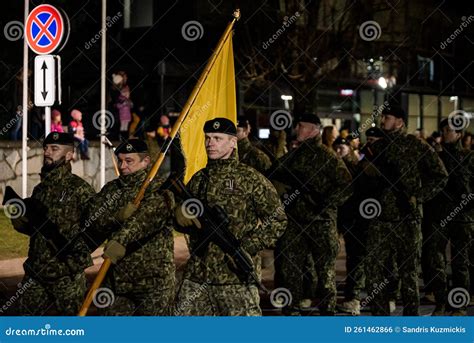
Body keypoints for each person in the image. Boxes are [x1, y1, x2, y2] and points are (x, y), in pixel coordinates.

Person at [174, 118, 287, 316]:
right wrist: (179, 216)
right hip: (198, 276)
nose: (210, 143)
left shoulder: (250, 178)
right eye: (208, 138)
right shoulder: (199, 179)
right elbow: (181, 220)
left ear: (233, 142)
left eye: (217, 138)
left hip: (235, 279)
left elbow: (278, 220)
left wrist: (247, 247)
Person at [364, 105, 448, 316]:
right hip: (380, 219)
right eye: (383, 117)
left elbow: (440, 175)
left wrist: (418, 196)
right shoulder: (378, 147)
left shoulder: (416, 146)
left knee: (408, 274)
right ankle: (380, 320)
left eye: (388, 117)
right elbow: (363, 178)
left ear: (400, 121)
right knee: (373, 270)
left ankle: (410, 322)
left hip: (407, 218)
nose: (383, 120)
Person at [269, 113, 352, 315]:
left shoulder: (327, 156)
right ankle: (292, 306)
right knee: (291, 268)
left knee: (325, 271)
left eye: (302, 126)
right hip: (296, 222)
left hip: (321, 222)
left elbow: (346, 186)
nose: (298, 129)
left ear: (315, 129)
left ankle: (328, 309)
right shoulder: (293, 156)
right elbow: (273, 174)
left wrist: (324, 202)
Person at [83, 139, 176, 315]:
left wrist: (120, 239)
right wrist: (115, 218)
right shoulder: (112, 189)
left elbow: (146, 219)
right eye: (120, 160)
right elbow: (93, 220)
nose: (122, 165)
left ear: (146, 161)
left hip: (153, 282)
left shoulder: (158, 188)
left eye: (129, 161)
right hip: (116, 279)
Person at [8, 132, 94, 315]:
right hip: (36, 272)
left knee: (71, 329)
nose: (47, 152)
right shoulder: (41, 188)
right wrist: (20, 220)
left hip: (66, 276)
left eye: (54, 149)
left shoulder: (80, 189)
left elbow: (94, 231)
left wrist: (73, 262)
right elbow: (36, 230)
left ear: (69, 155)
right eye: (46, 148)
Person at [424, 117, 473, 315]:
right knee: (437, 261)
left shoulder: (470, 158)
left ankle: (459, 305)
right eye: (444, 130)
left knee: (461, 263)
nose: (445, 134)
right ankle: (441, 302)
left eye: (450, 130)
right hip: (441, 215)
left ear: (459, 134)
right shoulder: (437, 157)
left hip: (463, 217)